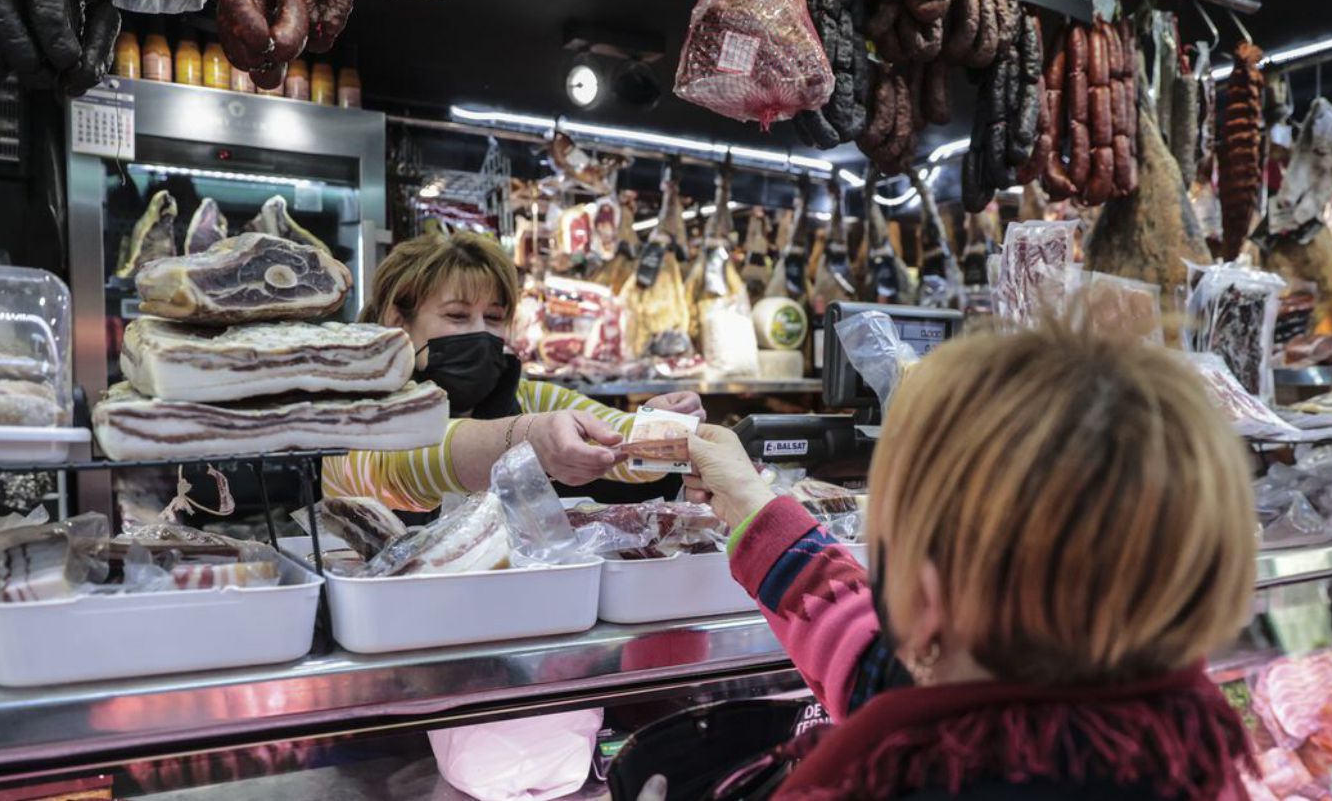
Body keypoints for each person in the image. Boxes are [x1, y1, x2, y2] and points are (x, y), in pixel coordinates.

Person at [681, 318, 1259, 799]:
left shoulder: (890, 777)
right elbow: (879, 667)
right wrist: (751, 503)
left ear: (926, 598)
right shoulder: (1187, 742)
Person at [323, 231, 702, 511]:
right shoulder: (355, 412)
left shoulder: (525, 396)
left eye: (493, 317)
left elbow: (619, 446)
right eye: (456, 316)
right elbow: (411, 467)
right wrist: (529, 439)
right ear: (398, 322)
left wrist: (665, 432)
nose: (480, 333)